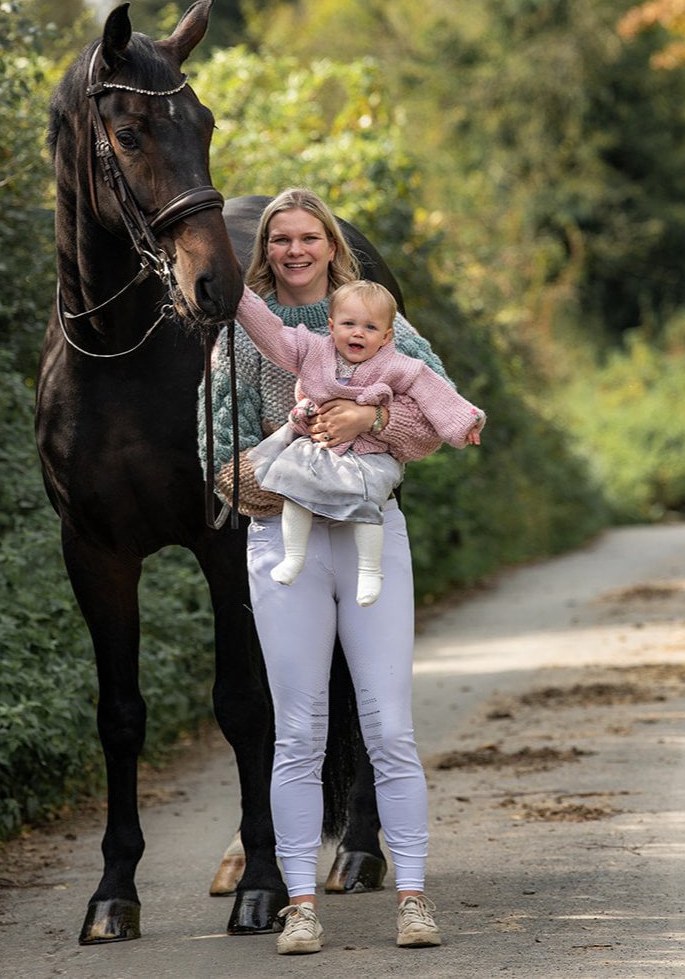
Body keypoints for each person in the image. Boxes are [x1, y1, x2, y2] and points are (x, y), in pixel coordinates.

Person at [198, 188, 455, 954]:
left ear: (330, 243)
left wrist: (369, 420)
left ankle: (412, 897)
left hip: (374, 534)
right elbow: (220, 454)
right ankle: (301, 904)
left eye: (309, 236)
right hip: (284, 541)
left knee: (390, 727)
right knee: (300, 731)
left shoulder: (378, 321)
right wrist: (300, 456)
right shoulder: (243, 338)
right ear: (266, 249)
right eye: (281, 238)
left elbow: (431, 420)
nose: (295, 249)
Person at [235, 277, 484, 607]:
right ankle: (294, 556)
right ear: (331, 326)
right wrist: (239, 297)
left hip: (369, 452)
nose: (357, 333)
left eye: (369, 327)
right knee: (294, 488)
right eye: (348, 324)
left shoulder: (400, 365)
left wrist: (466, 422)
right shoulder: (312, 350)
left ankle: (370, 570)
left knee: (366, 502)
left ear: (386, 336)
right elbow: (272, 334)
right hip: (319, 446)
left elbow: (436, 395)